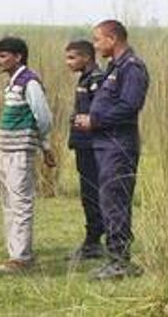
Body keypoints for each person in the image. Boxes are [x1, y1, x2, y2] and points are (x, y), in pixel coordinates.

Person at [74, 20, 149, 280]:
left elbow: (130, 106)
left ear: (113, 38)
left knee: (115, 201)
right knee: (108, 200)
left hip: (119, 145)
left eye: (98, 40)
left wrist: (96, 120)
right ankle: (116, 258)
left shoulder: (132, 68)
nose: (95, 45)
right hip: (104, 145)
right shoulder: (113, 67)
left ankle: (120, 262)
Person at [0, 36, 56, 272]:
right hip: (6, 149)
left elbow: (44, 116)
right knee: (9, 201)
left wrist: (46, 146)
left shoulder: (29, 82)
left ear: (18, 57)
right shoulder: (12, 83)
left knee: (20, 201)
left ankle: (22, 257)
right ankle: (15, 252)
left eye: (3, 55)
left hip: (20, 150)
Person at [63, 40, 106, 262]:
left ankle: (94, 241)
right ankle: (92, 240)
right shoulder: (85, 79)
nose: (68, 62)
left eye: (72, 57)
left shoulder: (96, 81)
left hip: (92, 146)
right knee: (88, 193)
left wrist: (77, 119)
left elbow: (95, 114)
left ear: (87, 57)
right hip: (83, 145)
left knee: (92, 192)